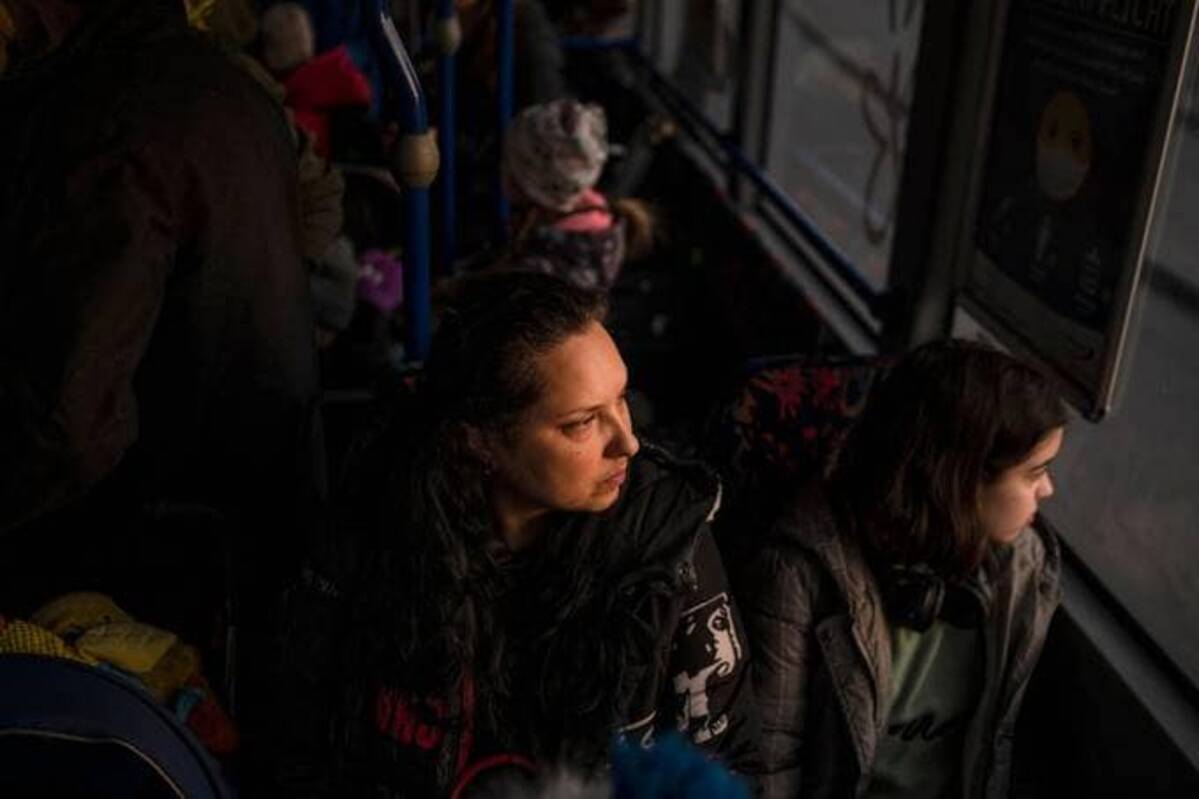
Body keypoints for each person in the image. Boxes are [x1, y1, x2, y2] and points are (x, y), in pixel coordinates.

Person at [269, 271, 758, 796]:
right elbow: (297, 745)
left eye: (622, 401)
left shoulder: (665, 545)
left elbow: (727, 763)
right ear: (478, 443)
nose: (629, 443)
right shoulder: (373, 531)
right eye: (582, 423)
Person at [0, 0, 324, 742]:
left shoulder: (103, 123)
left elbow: (65, 422)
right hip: (246, 546)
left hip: (136, 577)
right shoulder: (226, 90)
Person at [736, 340, 1068, 799]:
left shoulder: (1024, 573)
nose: (1048, 490)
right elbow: (771, 765)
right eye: (1034, 473)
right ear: (961, 481)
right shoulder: (802, 574)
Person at [501, 98, 656, 290]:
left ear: (527, 184)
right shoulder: (594, 221)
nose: (502, 168)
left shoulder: (541, 275)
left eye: (508, 161)